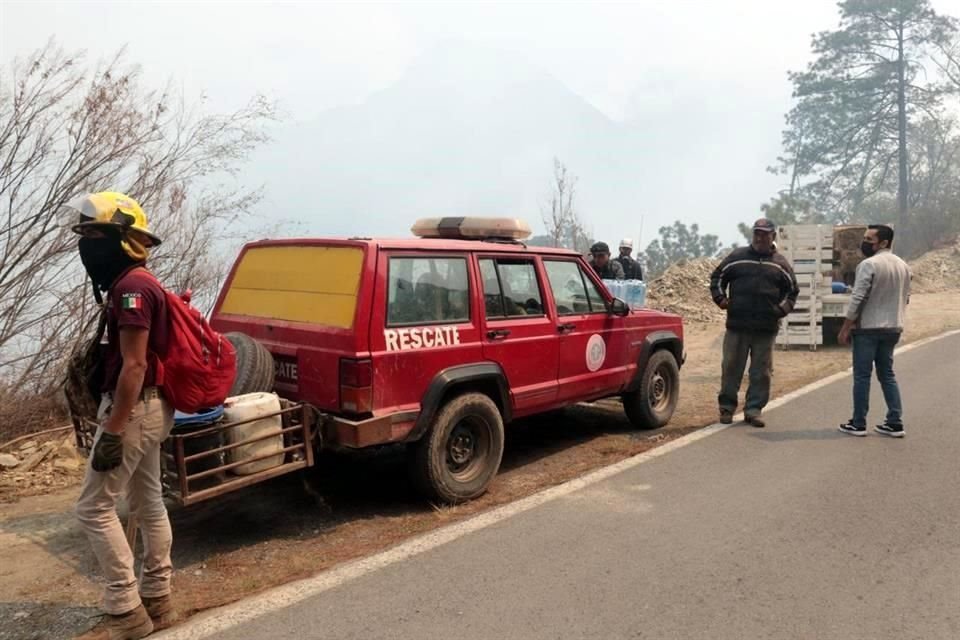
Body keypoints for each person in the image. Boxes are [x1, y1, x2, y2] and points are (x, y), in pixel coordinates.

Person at [71, 192, 175, 640]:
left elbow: (134, 365)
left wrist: (113, 431)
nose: (86, 244)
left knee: (93, 507)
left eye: (95, 235)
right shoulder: (137, 282)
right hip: (152, 407)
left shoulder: (132, 289)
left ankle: (126, 610)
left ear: (122, 239)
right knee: (148, 499)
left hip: (133, 408)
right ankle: (158, 598)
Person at [709, 218, 799, 428]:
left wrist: (779, 311)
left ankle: (754, 410)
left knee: (761, 371)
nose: (760, 237)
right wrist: (721, 299)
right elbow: (717, 278)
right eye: (757, 233)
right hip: (737, 326)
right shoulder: (737, 257)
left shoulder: (780, 263)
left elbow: (792, 291)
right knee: (731, 367)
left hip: (765, 329)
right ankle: (727, 408)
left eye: (765, 234)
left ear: (773, 237)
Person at [837, 224, 911, 438]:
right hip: (893, 327)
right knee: (887, 374)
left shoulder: (868, 265)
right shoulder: (903, 266)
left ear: (884, 242)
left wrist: (846, 327)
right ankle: (894, 421)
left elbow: (858, 297)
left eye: (870, 239)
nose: (865, 242)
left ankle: (858, 423)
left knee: (862, 376)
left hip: (869, 328)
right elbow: (906, 297)